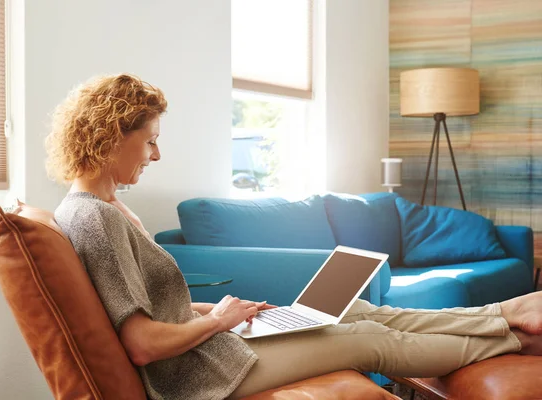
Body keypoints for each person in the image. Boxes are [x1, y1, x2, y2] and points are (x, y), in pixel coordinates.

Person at [47, 73, 542, 400]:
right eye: (151, 140)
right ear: (112, 134)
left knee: (360, 310)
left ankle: (499, 314)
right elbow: (142, 344)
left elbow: (153, 308)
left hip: (210, 347)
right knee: (369, 339)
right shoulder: (97, 219)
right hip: (201, 374)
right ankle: (513, 338)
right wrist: (219, 321)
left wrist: (235, 312)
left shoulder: (100, 209)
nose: (155, 155)